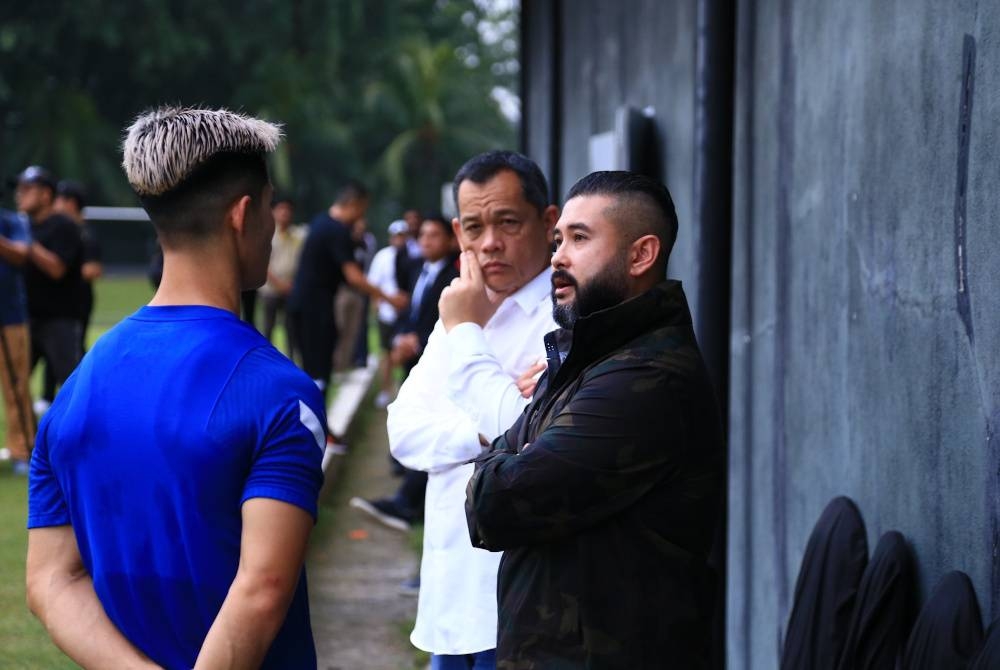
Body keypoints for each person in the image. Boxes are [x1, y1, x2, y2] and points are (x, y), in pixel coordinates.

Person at [26, 107, 327, 669]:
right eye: (268, 206)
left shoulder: (78, 386)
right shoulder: (278, 393)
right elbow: (261, 590)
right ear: (243, 214)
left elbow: (50, 580)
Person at [466, 170, 725, 668]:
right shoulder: (589, 359)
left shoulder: (647, 379)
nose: (557, 257)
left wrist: (502, 460)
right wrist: (507, 456)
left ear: (641, 255)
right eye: (558, 240)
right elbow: (502, 464)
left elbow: (495, 504)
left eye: (580, 239)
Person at [352, 150, 558, 669]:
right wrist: (489, 430)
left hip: (518, 605)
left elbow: (538, 442)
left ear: (548, 222)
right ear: (457, 232)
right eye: (474, 227)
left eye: (508, 222)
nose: (489, 243)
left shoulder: (563, 317)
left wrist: (467, 338)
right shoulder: (462, 306)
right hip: (450, 596)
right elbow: (403, 431)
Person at [289, 181, 406, 398]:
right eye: (362, 209)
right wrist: (389, 298)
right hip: (315, 308)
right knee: (319, 371)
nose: (362, 216)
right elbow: (354, 277)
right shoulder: (337, 230)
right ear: (353, 204)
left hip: (304, 304)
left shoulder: (320, 222)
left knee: (311, 368)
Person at [16, 166, 84, 405]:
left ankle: (81, 428)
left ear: (46, 194)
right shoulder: (25, 226)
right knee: (16, 384)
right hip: (28, 318)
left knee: (72, 386)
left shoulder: (63, 226)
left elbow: (57, 269)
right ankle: (24, 430)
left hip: (60, 320)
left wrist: (26, 243)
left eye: (27, 189)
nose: (19, 194)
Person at [48, 180, 102, 405]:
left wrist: (65, 267)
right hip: (55, 301)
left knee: (72, 346)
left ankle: (82, 396)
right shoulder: (56, 230)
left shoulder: (85, 234)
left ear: (71, 203)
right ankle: (47, 396)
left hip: (78, 300)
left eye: (59, 199)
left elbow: (93, 269)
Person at [388, 214, 460, 374]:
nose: (426, 241)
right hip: (410, 360)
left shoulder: (456, 277)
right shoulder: (414, 269)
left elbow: (451, 321)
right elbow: (408, 309)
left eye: (434, 235)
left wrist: (418, 342)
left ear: (450, 239)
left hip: (439, 361)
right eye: (423, 235)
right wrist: (400, 339)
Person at [0, 206, 35, 475]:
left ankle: (22, 451)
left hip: (9, 317)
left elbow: (22, 254)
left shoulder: (11, 221)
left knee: (16, 386)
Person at [366, 219, 410, 408]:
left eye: (402, 236)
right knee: (386, 353)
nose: (399, 239)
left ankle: (404, 389)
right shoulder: (382, 257)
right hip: (387, 312)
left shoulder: (414, 254)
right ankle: (386, 389)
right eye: (396, 236)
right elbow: (373, 284)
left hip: (407, 313)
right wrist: (379, 303)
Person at [259, 196, 304, 360]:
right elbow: (262, 263)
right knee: (268, 327)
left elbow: (301, 261)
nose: (285, 213)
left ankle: (292, 359)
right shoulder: (267, 234)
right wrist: (279, 284)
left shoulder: (298, 235)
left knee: (291, 328)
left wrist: (292, 284)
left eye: (288, 209)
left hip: (291, 289)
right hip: (270, 289)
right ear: (274, 212)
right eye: (281, 209)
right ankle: (266, 359)